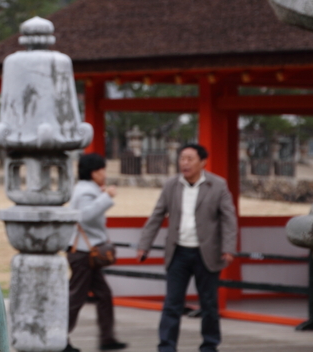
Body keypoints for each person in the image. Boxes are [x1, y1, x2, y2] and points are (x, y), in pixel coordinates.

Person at [137, 143, 238, 352]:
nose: (185, 163)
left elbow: (229, 219)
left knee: (209, 304)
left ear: (203, 162)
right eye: (182, 158)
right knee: (172, 303)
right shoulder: (172, 185)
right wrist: (144, 245)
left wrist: (228, 247)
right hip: (178, 252)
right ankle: (166, 346)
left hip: (206, 253)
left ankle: (209, 345)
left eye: (190, 159)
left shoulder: (218, 185)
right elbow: (157, 215)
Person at [65, 153, 127, 352]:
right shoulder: (85, 191)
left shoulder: (86, 189)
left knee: (103, 295)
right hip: (84, 254)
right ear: (93, 172)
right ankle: (58, 339)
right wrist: (107, 197)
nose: (104, 174)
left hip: (86, 254)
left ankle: (107, 338)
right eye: (102, 170)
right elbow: (85, 216)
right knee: (76, 298)